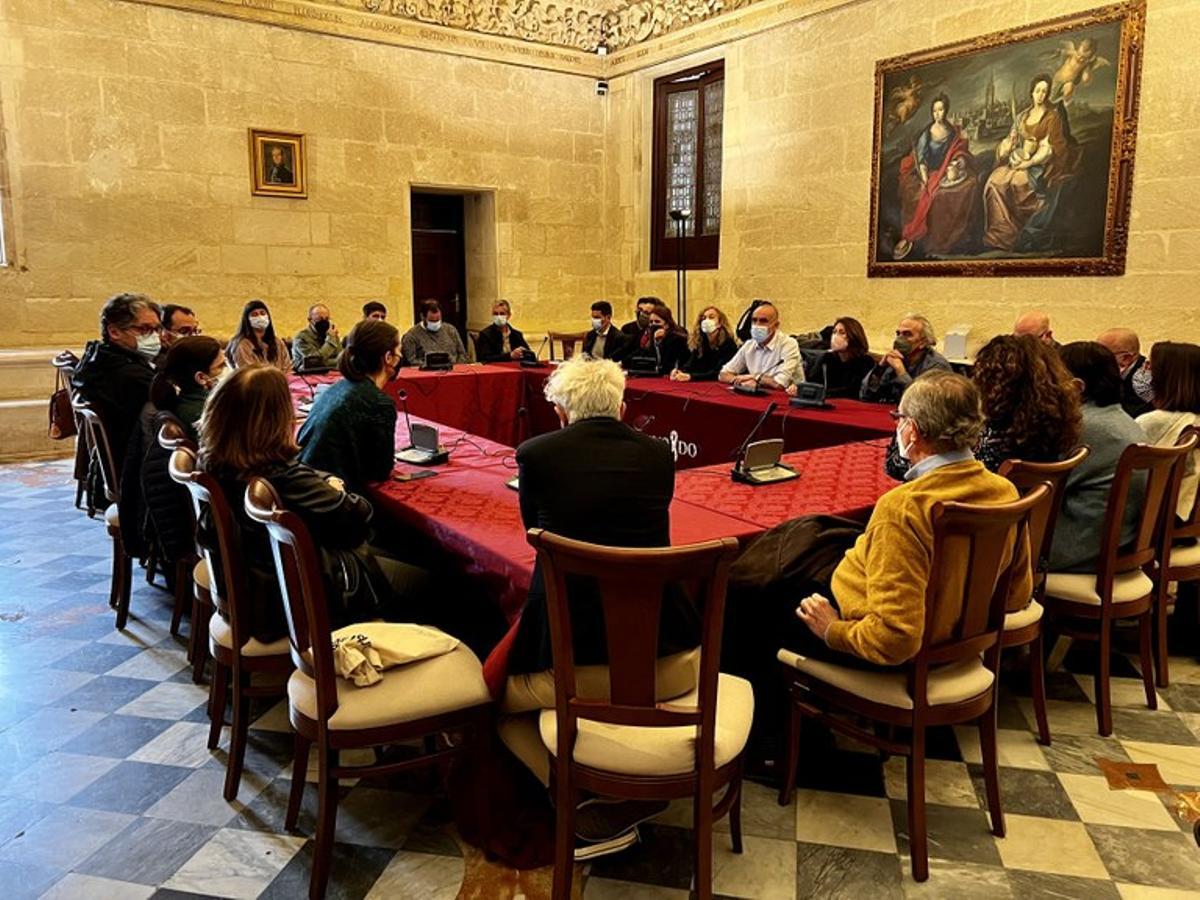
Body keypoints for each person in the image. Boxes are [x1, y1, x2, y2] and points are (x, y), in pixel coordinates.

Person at [500, 357, 699, 856]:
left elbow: (534, 533)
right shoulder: (658, 456)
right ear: (622, 406)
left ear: (563, 413)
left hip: (578, 665)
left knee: (495, 704)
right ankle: (618, 788)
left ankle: (573, 800)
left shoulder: (536, 455)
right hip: (673, 657)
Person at [198, 366, 429, 642]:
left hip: (261, 582)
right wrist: (334, 487)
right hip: (300, 596)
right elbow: (358, 517)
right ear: (276, 418)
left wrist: (327, 484)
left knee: (396, 553)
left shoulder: (217, 461)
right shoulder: (278, 475)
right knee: (432, 580)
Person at [1050, 342, 1147, 572]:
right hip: (1120, 542)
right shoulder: (1124, 421)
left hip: (1082, 549)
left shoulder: (1084, 427)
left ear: (1076, 388)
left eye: (1053, 380)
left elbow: (1046, 490)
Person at [297, 320, 401, 494]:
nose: (401, 356)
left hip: (307, 485)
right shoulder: (379, 402)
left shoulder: (335, 388)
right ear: (388, 358)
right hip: (333, 498)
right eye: (399, 350)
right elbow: (380, 471)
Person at [984, 73, 1081, 252]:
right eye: (1038, 90)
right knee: (993, 181)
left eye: (1045, 91)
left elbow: (1049, 148)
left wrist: (1027, 164)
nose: (1041, 95)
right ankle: (1001, 234)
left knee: (1015, 182)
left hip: (1040, 165)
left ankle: (1021, 235)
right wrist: (1008, 149)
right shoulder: (1021, 117)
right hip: (1019, 161)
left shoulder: (1052, 117)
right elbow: (1010, 140)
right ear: (1032, 92)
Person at [72, 292, 160, 468]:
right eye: (144, 329)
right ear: (114, 331)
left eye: (156, 329)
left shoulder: (101, 358)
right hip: (134, 464)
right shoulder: (127, 374)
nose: (154, 336)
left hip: (120, 457)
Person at [972, 334, 1081, 471]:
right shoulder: (1055, 419)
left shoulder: (998, 441)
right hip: (1039, 489)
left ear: (994, 383)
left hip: (996, 489)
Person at [893, 93, 976, 260]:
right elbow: (922, 159)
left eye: (941, 110)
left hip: (945, 170)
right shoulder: (927, 133)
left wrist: (959, 161)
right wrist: (924, 178)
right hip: (929, 172)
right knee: (930, 195)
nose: (938, 114)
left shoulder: (952, 131)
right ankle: (920, 237)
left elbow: (957, 150)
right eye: (935, 111)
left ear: (946, 110)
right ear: (932, 112)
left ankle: (950, 238)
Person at [1136, 342, 1200, 522]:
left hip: (1159, 518)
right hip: (1186, 514)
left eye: (1149, 366)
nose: (1143, 373)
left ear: (1165, 377)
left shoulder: (1153, 421)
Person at [860, 313, 950, 404]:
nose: (900, 339)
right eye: (898, 334)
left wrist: (901, 372)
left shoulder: (937, 365)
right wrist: (880, 368)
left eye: (907, 334)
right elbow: (865, 396)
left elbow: (923, 403)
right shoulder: (894, 359)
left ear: (923, 342)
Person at [148, 336, 225, 443]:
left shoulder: (191, 401)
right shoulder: (201, 412)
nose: (227, 369)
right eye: (221, 366)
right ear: (201, 378)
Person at [718, 301, 801, 390]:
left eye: (763, 321)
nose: (757, 325)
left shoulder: (789, 344)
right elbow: (723, 374)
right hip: (757, 394)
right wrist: (738, 380)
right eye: (754, 320)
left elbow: (779, 384)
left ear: (776, 325)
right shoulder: (749, 345)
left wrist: (755, 377)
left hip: (788, 397)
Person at [792, 316, 874, 398]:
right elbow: (814, 382)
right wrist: (799, 388)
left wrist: (823, 393)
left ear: (853, 336)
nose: (836, 336)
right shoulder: (828, 359)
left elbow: (852, 391)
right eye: (834, 332)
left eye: (842, 333)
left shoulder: (865, 362)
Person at [1097, 327, 1153, 418]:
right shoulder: (1114, 373)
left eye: (1101, 356)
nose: (1095, 360)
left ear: (1125, 358)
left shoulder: (1145, 381)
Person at [671, 305, 737, 381]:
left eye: (711, 317)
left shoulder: (728, 344)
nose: (706, 320)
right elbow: (690, 365)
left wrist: (691, 377)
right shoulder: (700, 342)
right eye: (703, 318)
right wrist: (679, 371)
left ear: (720, 323)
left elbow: (718, 373)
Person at [622, 303, 688, 376]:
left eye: (657, 321)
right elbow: (644, 354)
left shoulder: (676, 339)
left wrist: (658, 344)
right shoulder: (651, 338)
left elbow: (666, 364)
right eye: (651, 322)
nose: (653, 324)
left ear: (667, 324)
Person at [228, 299, 292, 373]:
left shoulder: (277, 342)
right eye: (254, 314)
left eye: (262, 313)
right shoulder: (242, 345)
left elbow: (287, 367)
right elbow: (248, 373)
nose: (260, 317)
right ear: (247, 319)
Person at [401, 299, 468, 366]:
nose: (435, 323)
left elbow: (462, 354)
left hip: (453, 370)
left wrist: (457, 367)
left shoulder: (451, 330)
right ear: (422, 317)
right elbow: (411, 360)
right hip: (426, 373)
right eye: (432, 321)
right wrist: (432, 366)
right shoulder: (411, 336)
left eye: (438, 320)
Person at [291, 304, 341, 371]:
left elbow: (341, 359)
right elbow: (314, 361)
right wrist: (330, 340)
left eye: (326, 319)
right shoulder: (301, 338)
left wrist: (324, 363)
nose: (324, 322)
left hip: (332, 375)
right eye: (319, 319)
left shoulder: (331, 333)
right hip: (307, 377)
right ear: (310, 320)